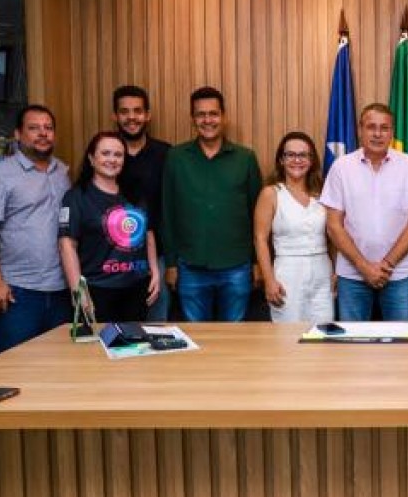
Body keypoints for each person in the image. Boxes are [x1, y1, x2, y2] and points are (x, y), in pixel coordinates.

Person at [320, 102, 408, 321]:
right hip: (352, 275)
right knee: (353, 339)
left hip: (398, 275)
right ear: (360, 130)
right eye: (371, 127)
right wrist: (363, 266)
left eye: (384, 128)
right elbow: (333, 225)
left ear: (392, 132)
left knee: (400, 339)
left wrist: (387, 264)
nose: (378, 134)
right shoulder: (341, 167)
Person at [0, 105, 70, 352]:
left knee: (61, 364)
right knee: (15, 364)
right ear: (18, 134)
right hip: (18, 291)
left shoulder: (62, 171)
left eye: (48, 128)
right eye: (34, 128)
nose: (43, 133)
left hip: (61, 289)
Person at [162, 87, 262, 321]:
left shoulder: (245, 158)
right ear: (193, 118)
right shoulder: (176, 158)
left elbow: (257, 216)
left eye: (213, 114)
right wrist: (171, 264)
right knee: (196, 336)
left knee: (234, 335)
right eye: (201, 114)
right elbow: (167, 213)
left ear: (223, 117)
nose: (207, 120)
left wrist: (257, 262)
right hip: (190, 265)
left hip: (237, 265)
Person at [59, 131, 160, 320]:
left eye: (118, 155)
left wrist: (155, 271)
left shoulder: (135, 194)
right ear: (91, 158)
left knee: (134, 339)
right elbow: (67, 245)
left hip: (137, 287)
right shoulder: (76, 197)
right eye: (105, 153)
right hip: (97, 290)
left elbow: (148, 233)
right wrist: (77, 290)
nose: (112, 160)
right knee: (99, 340)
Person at [253, 132, 335, 323]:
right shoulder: (271, 193)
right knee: (287, 334)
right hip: (288, 272)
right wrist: (269, 280)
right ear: (281, 160)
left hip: (322, 271)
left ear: (311, 160)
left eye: (303, 155)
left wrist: (336, 271)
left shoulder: (322, 193)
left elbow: (333, 235)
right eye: (290, 155)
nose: (297, 160)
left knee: (322, 331)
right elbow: (260, 239)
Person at [113, 85, 172, 320]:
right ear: (115, 116)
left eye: (137, 111)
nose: (131, 117)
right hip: (112, 255)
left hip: (158, 254)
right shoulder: (107, 152)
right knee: (116, 324)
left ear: (147, 115)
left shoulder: (166, 153)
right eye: (124, 111)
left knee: (156, 322)